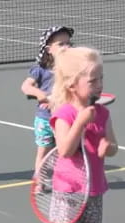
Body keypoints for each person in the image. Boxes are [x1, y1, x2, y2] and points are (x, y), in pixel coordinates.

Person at [45, 46, 119, 223]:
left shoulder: (102, 113)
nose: (99, 85)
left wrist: (107, 147)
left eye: (101, 78)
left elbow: (113, 144)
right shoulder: (64, 114)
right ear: (72, 84)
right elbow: (64, 149)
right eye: (93, 80)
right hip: (69, 191)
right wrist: (80, 122)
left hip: (95, 189)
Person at [21, 26, 73, 178]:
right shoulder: (40, 69)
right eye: (61, 44)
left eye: (68, 43)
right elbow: (26, 87)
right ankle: (39, 181)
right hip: (44, 119)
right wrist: (40, 94)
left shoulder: (72, 69)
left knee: (65, 151)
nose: (66, 47)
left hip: (64, 120)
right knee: (43, 153)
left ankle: (64, 181)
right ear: (49, 49)